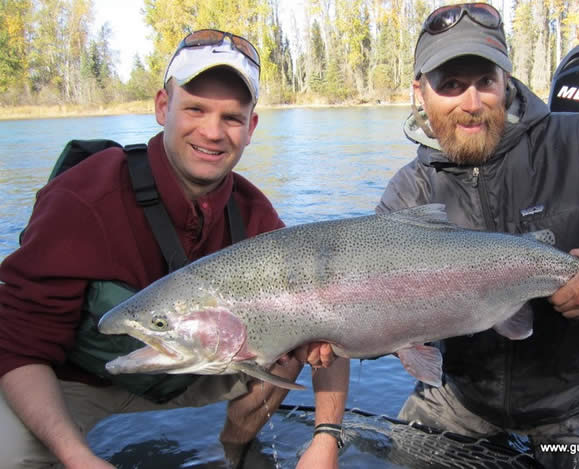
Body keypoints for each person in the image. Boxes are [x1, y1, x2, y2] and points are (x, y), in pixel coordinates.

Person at [0, 29, 347, 469]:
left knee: (291, 342)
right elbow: (18, 349)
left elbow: (334, 316)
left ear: (251, 128)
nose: (212, 132)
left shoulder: (255, 214)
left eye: (232, 118)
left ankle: (232, 452)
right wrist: (77, 457)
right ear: (164, 107)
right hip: (80, 385)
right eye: (196, 109)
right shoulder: (82, 199)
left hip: (199, 366)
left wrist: (326, 437)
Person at [377, 4, 579, 468]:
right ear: (419, 92)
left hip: (574, 400)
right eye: (450, 85)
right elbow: (375, 309)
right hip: (463, 396)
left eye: (484, 82)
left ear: (505, 80)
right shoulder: (408, 193)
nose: (471, 103)